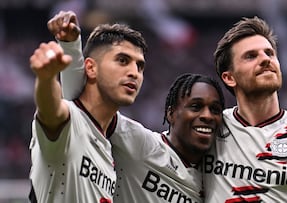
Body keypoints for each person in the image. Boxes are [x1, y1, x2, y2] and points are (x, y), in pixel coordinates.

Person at [48, 11, 225, 202]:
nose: (206, 115)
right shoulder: (142, 145)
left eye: (215, 110)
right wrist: (70, 46)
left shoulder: (218, 178)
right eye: (195, 107)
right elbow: (84, 108)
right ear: (171, 114)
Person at [202, 16, 287, 202]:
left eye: (269, 53)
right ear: (229, 77)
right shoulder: (211, 127)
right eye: (251, 56)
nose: (265, 59)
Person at [29, 20, 148, 202]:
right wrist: (46, 78)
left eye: (139, 66)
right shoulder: (71, 121)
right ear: (91, 68)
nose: (134, 73)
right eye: (122, 60)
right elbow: (51, 111)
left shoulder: (108, 147)